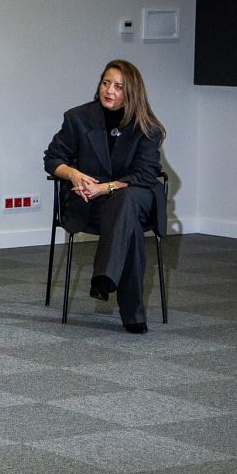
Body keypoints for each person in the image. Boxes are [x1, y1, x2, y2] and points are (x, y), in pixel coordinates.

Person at [44, 59, 167, 333]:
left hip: (137, 198)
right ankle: (132, 313)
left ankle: (104, 275)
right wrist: (74, 175)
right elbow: (52, 158)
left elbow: (146, 174)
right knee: (128, 223)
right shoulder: (77, 118)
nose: (109, 90)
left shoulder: (146, 127)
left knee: (126, 200)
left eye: (118, 87)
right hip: (92, 204)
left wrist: (105, 187)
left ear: (131, 92)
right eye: (106, 83)